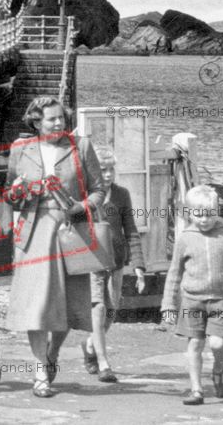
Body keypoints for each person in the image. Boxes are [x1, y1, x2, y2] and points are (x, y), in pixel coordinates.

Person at [5, 96, 105, 398]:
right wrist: (17, 191)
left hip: (70, 232)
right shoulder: (19, 149)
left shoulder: (81, 147)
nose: (59, 123)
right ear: (36, 121)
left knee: (67, 304)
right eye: (52, 119)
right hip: (33, 234)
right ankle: (39, 371)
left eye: (62, 118)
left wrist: (79, 208)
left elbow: (99, 191)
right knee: (36, 305)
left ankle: (52, 353)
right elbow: (10, 195)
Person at [161, 185, 223, 405]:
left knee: (217, 344)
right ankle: (196, 390)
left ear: (216, 211)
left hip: (221, 300)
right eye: (198, 214)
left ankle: (219, 368)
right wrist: (168, 306)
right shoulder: (185, 238)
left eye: (209, 214)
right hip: (191, 300)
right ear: (190, 213)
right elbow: (174, 272)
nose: (204, 220)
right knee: (194, 344)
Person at [80, 147, 146, 383]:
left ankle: (89, 345)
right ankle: (103, 362)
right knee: (97, 309)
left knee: (111, 310)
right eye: (102, 170)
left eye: (111, 170)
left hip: (117, 262)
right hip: (92, 261)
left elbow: (131, 230)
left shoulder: (122, 194)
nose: (107, 175)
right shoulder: (86, 194)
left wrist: (138, 265)